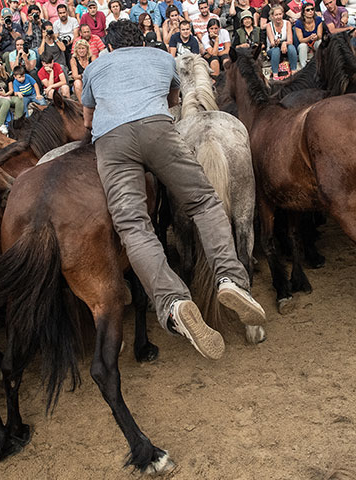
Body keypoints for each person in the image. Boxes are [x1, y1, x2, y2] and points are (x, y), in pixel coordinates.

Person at [81, 20, 265, 360]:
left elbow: (88, 120)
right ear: (142, 40)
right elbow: (173, 100)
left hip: (112, 142)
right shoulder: (161, 57)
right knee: (204, 202)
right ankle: (230, 279)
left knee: (134, 227)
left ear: (109, 44)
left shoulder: (94, 67)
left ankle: (174, 301)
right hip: (157, 130)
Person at [0, 54, 22, 132]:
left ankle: (18, 122)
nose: (0, 65)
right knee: (5, 103)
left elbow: (11, 90)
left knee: (18, 100)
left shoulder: (6, 75)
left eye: (1, 63)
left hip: (6, 96)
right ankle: (0, 124)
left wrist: (5, 94)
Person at [266, 4, 297, 77]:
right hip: (273, 49)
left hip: (285, 48)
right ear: (272, 16)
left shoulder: (287, 23)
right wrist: (278, 43)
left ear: (283, 14)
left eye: (280, 14)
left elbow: (290, 40)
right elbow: (272, 43)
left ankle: (294, 71)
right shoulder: (269, 25)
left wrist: (284, 43)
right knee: (276, 50)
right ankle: (275, 74)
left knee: (291, 47)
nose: (278, 16)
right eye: (276, 15)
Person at [294, 3, 322, 68]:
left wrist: (316, 37)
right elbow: (301, 39)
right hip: (305, 43)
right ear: (303, 13)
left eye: (312, 9)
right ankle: (304, 67)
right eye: (308, 10)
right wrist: (309, 38)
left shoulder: (318, 19)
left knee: (319, 42)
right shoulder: (299, 23)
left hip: (315, 42)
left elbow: (320, 35)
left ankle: (322, 64)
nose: (311, 11)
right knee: (302, 46)